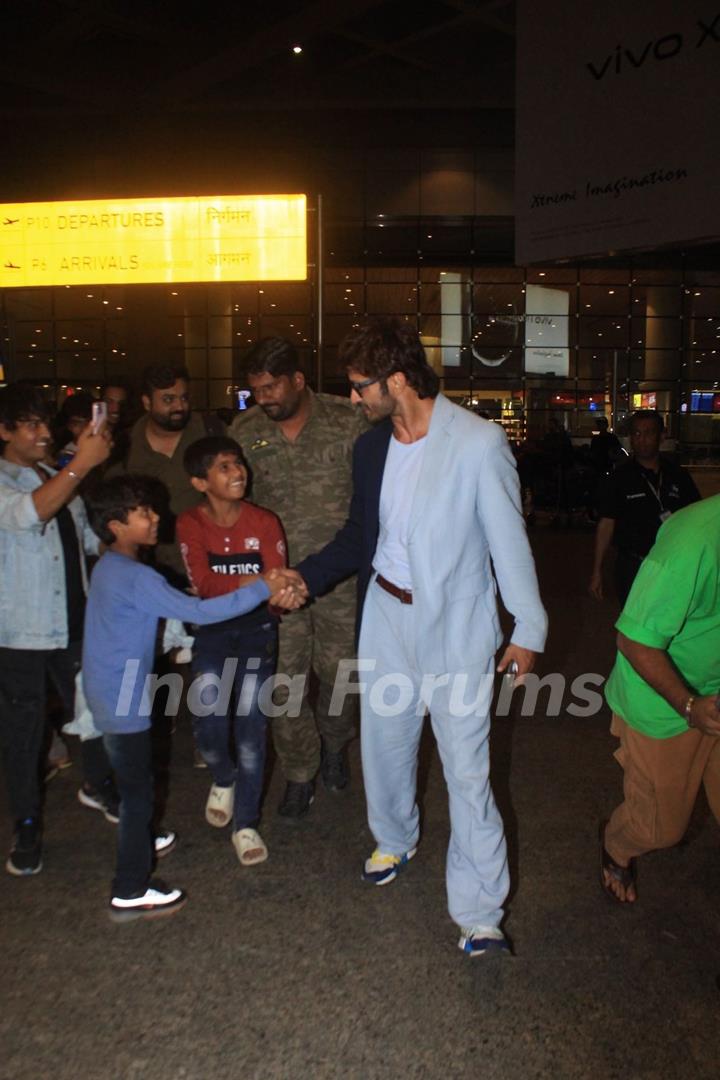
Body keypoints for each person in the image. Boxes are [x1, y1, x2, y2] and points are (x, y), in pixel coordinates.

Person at [295, 318, 548, 958]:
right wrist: (302, 578)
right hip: (386, 616)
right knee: (384, 744)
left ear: (398, 380)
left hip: (456, 626)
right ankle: (395, 836)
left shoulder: (478, 442)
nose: (353, 399)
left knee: (467, 771)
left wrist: (528, 626)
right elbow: (360, 537)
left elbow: (507, 540)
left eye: (360, 387)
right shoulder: (372, 449)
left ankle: (481, 912)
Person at [83, 475, 303, 921]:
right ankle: (130, 888)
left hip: (106, 690)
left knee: (134, 782)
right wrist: (263, 585)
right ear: (115, 525)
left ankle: (143, 836)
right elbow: (201, 611)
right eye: (142, 512)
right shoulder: (136, 575)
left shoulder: (110, 567)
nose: (154, 517)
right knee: (138, 794)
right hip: (123, 699)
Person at [230, 338, 368, 821]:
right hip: (276, 586)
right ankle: (300, 772)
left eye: (270, 388)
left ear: (298, 380)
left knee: (340, 677)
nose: (262, 398)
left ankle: (334, 742)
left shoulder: (349, 420)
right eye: (255, 390)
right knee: (283, 685)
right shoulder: (244, 431)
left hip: (339, 580)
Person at [0, 383, 118, 877]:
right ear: (4, 431)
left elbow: (87, 539)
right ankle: (27, 826)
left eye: (45, 423)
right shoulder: (14, 481)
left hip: (75, 623)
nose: (44, 433)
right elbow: (30, 514)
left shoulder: (55, 475)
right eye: (30, 424)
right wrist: (82, 465)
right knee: (25, 737)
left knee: (92, 716)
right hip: (21, 634)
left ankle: (98, 786)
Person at [599, 495, 720, 904]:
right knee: (661, 829)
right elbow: (633, 640)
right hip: (664, 704)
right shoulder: (693, 544)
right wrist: (688, 706)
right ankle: (616, 843)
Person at [177, 436, 290, 866]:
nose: (238, 471)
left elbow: (274, 586)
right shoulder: (190, 523)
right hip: (211, 632)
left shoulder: (264, 521)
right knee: (208, 722)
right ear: (199, 481)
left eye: (237, 463)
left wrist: (271, 587)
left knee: (251, 730)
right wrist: (262, 582)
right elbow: (204, 584)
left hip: (258, 631)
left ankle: (246, 823)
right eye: (224, 467)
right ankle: (223, 776)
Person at [116, 363, 216, 585]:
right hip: (150, 573)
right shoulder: (124, 447)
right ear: (146, 402)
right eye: (168, 400)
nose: (179, 406)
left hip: (210, 567)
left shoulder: (210, 433)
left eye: (184, 398)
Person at [589, 410, 700, 605]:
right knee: (633, 628)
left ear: (662, 436)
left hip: (673, 565)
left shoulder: (678, 476)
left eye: (649, 433)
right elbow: (606, 523)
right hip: (633, 565)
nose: (642, 439)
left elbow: (696, 519)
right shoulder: (619, 478)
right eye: (637, 434)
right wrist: (597, 570)